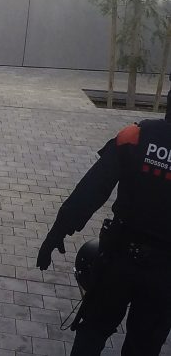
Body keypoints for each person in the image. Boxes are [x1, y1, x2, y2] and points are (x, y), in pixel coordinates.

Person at [36, 101, 171, 355]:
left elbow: (92, 189)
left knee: (92, 333)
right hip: (164, 275)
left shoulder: (135, 136)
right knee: (144, 346)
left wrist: (57, 231)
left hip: (118, 260)